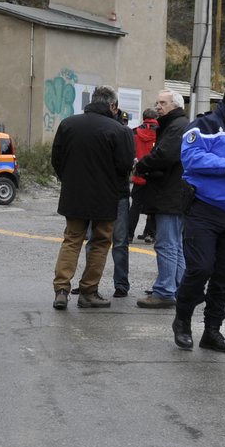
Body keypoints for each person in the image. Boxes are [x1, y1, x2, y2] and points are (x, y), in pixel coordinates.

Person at [167, 83, 225, 352]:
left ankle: (212, 331)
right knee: (200, 268)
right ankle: (183, 320)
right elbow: (190, 157)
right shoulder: (206, 126)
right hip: (204, 211)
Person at [50, 85, 135, 310]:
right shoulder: (120, 131)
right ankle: (88, 291)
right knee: (99, 242)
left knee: (72, 240)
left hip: (74, 195)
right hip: (106, 197)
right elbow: (125, 165)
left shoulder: (68, 124)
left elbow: (56, 159)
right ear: (113, 106)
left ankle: (61, 289)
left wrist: (68, 180)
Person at [132, 89, 189, 311]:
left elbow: (165, 155)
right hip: (176, 193)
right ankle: (177, 287)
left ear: (175, 105)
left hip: (171, 194)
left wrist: (142, 165)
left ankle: (165, 291)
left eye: (163, 102)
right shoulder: (177, 125)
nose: (158, 106)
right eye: (157, 102)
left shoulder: (176, 127)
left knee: (167, 244)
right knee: (176, 245)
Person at [108, 101, 135, 298]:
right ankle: (89, 284)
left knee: (118, 242)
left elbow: (127, 163)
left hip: (118, 192)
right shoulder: (109, 128)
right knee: (98, 241)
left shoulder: (123, 132)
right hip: (116, 192)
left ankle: (121, 284)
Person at [132, 107, 160, 242]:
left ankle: (128, 234)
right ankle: (149, 234)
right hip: (153, 176)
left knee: (135, 206)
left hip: (139, 174)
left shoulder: (135, 132)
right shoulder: (161, 133)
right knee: (152, 207)